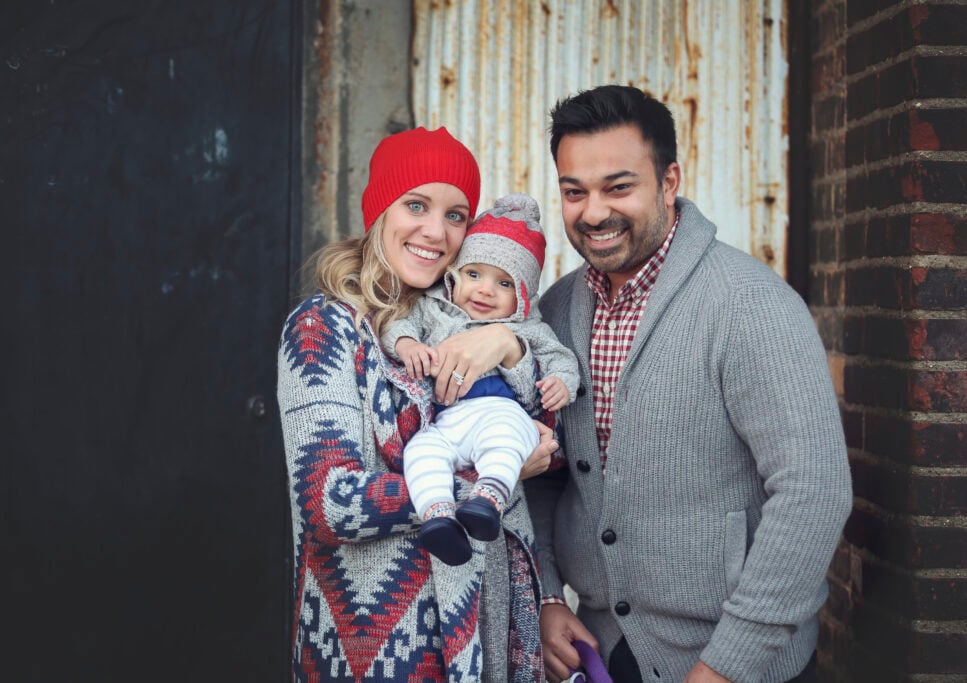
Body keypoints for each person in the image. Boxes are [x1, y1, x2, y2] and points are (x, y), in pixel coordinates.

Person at [524, 85, 853, 683]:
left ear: (669, 181)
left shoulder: (751, 305)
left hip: (736, 665)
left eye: (618, 187)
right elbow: (544, 475)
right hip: (601, 651)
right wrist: (548, 595)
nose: (593, 212)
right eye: (575, 191)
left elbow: (814, 492)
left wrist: (725, 667)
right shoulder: (553, 313)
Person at [277, 126, 556, 682]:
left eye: (456, 215)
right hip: (376, 650)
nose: (437, 231)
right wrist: (488, 478)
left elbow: (545, 432)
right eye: (416, 205)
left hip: (478, 636)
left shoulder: (462, 319)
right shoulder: (323, 327)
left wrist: (509, 342)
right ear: (380, 209)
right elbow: (328, 504)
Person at [381, 193, 580, 567]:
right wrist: (406, 343)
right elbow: (397, 323)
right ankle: (438, 515)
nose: (485, 290)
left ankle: (488, 498)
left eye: (504, 284)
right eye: (474, 275)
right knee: (421, 451)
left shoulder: (526, 328)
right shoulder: (434, 308)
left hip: (499, 413)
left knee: (504, 442)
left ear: (523, 296)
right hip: (448, 421)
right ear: (455, 276)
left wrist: (561, 383)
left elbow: (561, 359)